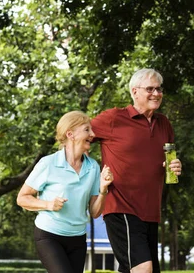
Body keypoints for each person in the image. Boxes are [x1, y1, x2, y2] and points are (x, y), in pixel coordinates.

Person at [91, 68, 182, 273]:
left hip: (150, 210)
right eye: (150, 89)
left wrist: (175, 165)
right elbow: (80, 137)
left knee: (137, 269)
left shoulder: (164, 123)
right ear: (134, 91)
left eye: (159, 89)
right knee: (143, 268)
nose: (156, 94)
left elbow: (167, 159)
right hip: (121, 206)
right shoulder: (113, 118)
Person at [17, 111, 113, 273]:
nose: (93, 134)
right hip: (49, 235)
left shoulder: (93, 167)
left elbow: (95, 212)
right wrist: (48, 204)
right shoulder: (49, 163)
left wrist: (103, 189)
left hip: (78, 238)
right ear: (71, 134)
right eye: (87, 130)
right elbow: (22, 198)